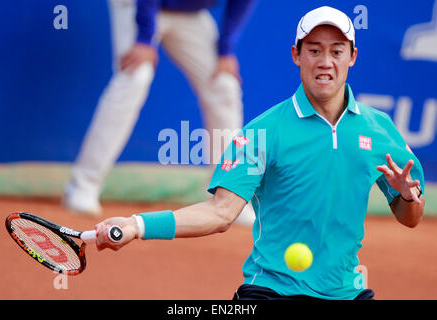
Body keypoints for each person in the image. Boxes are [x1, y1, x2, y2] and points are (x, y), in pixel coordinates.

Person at [92, 6, 426, 300]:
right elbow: (221, 213)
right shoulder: (261, 133)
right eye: (314, 50)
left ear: (352, 57)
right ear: (297, 54)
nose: (325, 62)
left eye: (337, 51)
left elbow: (409, 219)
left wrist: (409, 199)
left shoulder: (380, 130)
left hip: (347, 292)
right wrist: (137, 225)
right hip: (272, 291)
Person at [62, 0, 257, 217]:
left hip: (189, 14)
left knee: (224, 85)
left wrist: (226, 50)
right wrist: (144, 37)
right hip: (136, 4)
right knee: (136, 76)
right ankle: (82, 185)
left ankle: (225, 195)